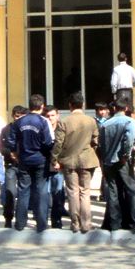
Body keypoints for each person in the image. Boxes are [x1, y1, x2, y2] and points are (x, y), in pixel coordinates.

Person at [52, 92, 99, 233]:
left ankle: (75, 223)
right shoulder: (91, 121)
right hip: (87, 160)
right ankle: (86, 224)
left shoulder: (64, 122)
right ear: (83, 104)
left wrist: (54, 159)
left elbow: (58, 143)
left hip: (69, 161)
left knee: (73, 192)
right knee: (85, 192)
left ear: (70, 105)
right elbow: (96, 140)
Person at [7, 94, 54, 232]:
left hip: (24, 159)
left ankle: (20, 223)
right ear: (42, 106)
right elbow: (48, 142)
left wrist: (14, 152)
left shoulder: (20, 121)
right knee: (41, 191)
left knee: (23, 190)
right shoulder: (43, 121)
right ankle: (41, 224)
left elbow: (11, 139)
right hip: (40, 159)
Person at [99, 97, 135, 233]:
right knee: (131, 190)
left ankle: (115, 223)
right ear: (126, 108)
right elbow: (129, 140)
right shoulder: (129, 121)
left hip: (108, 161)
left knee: (113, 192)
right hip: (122, 161)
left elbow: (102, 145)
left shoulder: (105, 124)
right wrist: (125, 155)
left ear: (114, 108)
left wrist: (104, 161)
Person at [0, 105, 27, 228]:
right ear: (12, 116)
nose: (18, 119)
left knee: (24, 193)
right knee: (10, 192)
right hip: (11, 165)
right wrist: (10, 154)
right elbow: (1, 147)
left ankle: (21, 219)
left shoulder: (27, 130)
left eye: (21, 117)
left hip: (25, 165)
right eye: (16, 116)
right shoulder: (6, 130)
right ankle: (8, 218)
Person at [44, 104, 65, 228]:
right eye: (48, 116)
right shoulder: (43, 128)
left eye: (52, 115)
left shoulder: (62, 129)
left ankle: (56, 221)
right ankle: (42, 219)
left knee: (57, 193)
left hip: (58, 166)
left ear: (57, 116)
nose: (50, 118)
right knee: (45, 194)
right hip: (44, 165)